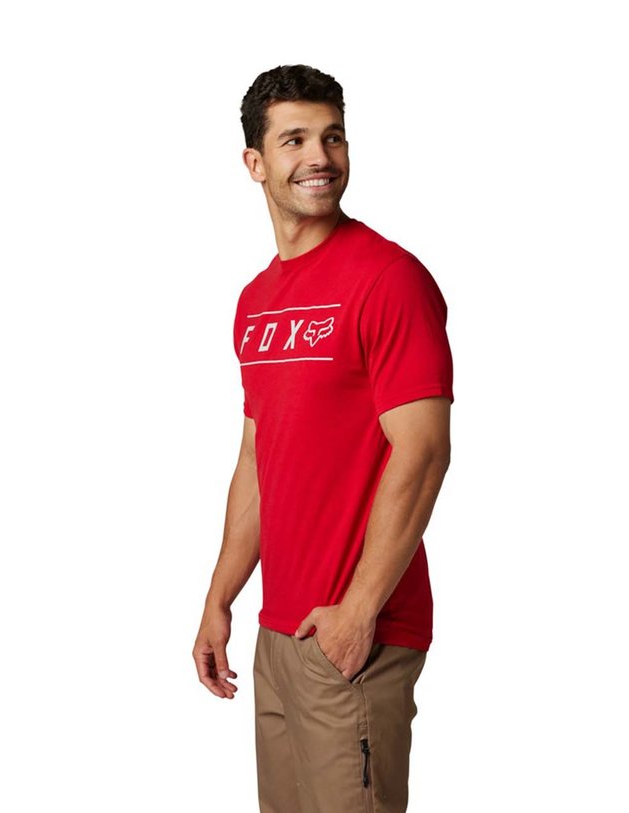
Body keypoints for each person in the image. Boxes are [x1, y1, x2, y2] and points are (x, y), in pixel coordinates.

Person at [192, 64, 454, 813]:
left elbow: (424, 451)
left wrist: (359, 610)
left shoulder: (388, 278)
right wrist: (220, 597)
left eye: (333, 137)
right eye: (295, 139)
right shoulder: (256, 301)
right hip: (280, 633)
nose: (320, 157)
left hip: (355, 634)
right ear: (255, 162)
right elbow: (258, 459)